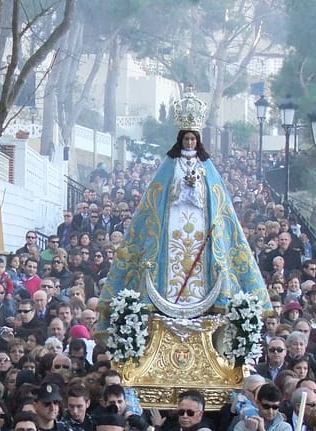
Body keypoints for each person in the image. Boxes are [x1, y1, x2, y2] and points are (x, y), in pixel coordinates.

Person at [99, 89, 267, 316]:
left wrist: (196, 187)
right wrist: (180, 188)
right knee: (171, 256)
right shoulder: (170, 165)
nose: (190, 142)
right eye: (186, 138)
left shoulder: (207, 167)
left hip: (199, 222)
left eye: (193, 139)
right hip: (173, 222)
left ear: (198, 140)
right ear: (181, 140)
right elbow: (158, 197)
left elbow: (216, 200)